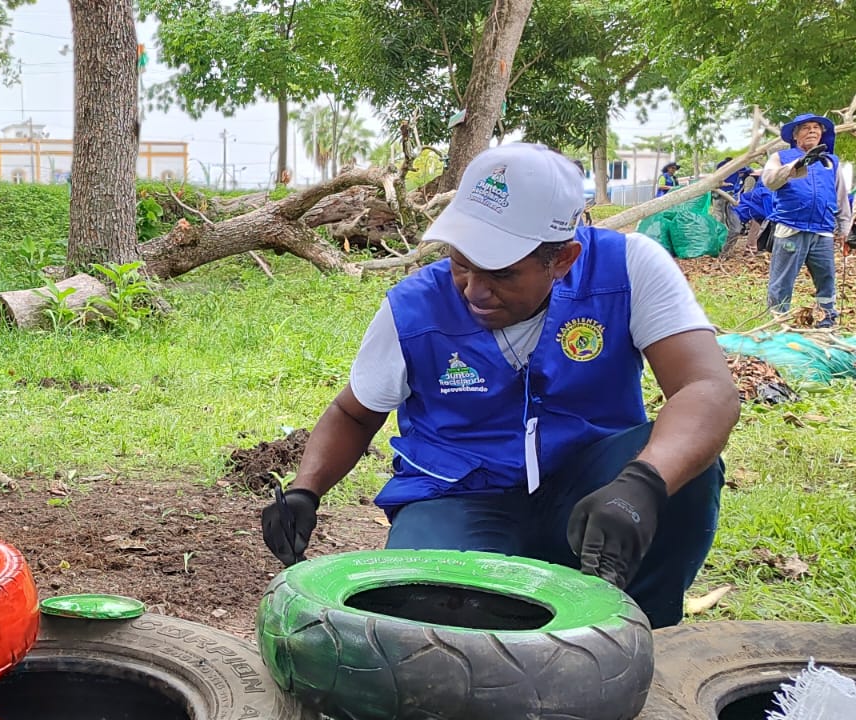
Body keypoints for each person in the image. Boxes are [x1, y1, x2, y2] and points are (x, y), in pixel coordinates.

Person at [262, 143, 739, 629]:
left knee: (684, 471)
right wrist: (306, 490)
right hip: (458, 497)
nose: (474, 290)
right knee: (423, 611)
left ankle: (642, 632)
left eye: (502, 273)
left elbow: (707, 388)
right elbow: (353, 413)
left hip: (592, 490)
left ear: (563, 259)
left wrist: (643, 486)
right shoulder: (412, 309)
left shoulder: (628, 270)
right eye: (461, 263)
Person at [761, 114, 851, 326]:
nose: (812, 131)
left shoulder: (831, 162)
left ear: (822, 134)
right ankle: (777, 321)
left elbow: (840, 196)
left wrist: (845, 228)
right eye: (806, 128)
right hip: (791, 228)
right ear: (795, 135)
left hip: (822, 231)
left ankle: (826, 320)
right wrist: (795, 166)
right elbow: (769, 181)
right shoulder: (780, 157)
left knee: (826, 279)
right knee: (782, 281)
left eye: (816, 128)